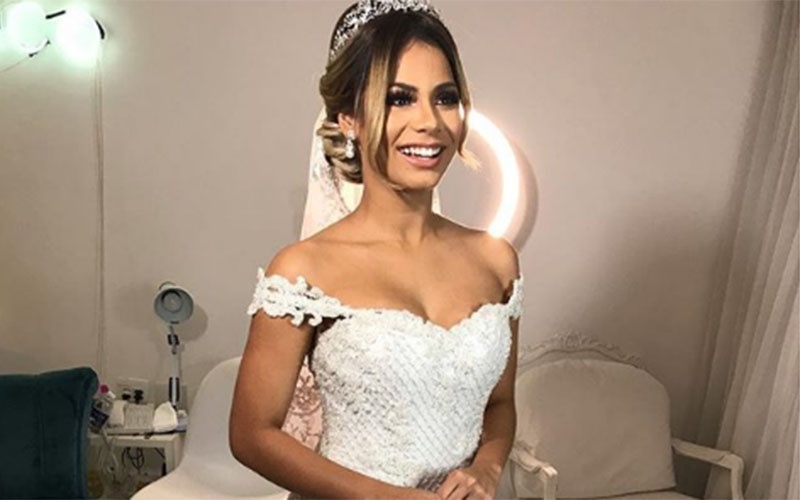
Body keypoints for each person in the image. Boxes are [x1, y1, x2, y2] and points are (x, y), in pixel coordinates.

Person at [229, 1, 524, 498]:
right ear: (349, 118)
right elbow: (251, 434)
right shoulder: (303, 270)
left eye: (445, 97)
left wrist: (487, 469)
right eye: (399, 98)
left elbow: (500, 404)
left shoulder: (496, 260)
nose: (429, 121)